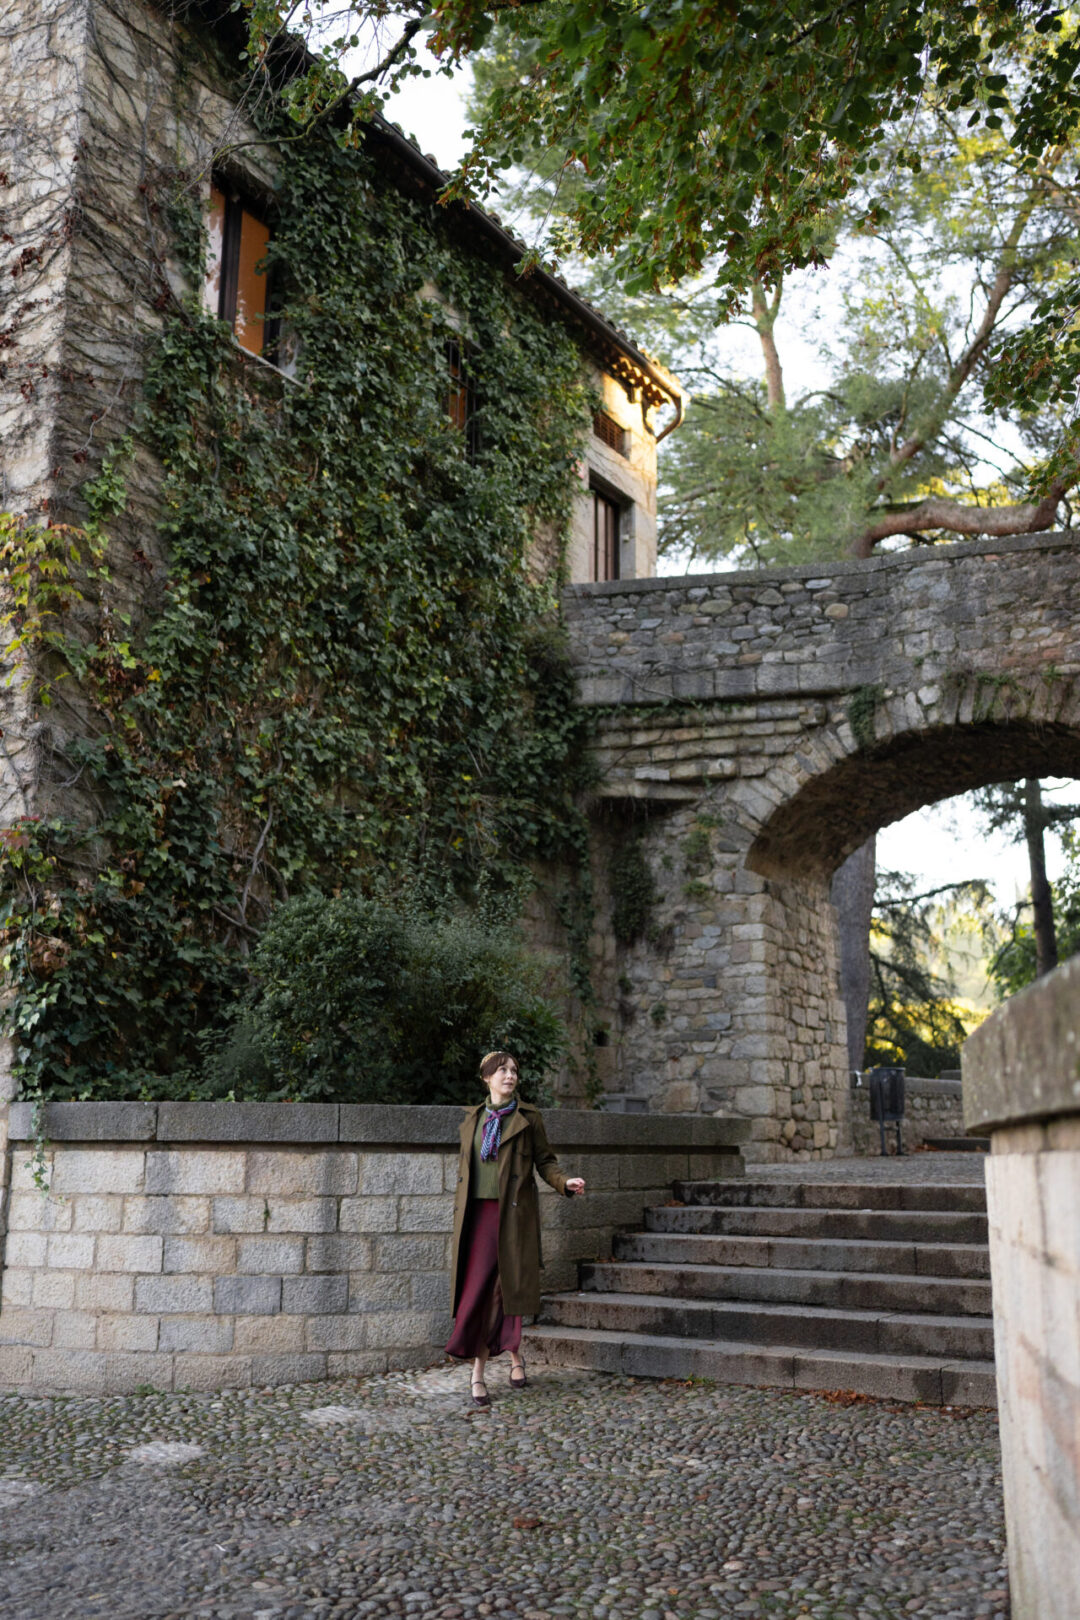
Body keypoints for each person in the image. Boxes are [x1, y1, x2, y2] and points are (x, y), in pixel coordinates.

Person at [446, 1050, 585, 1406]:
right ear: (486, 1078)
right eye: (502, 1070)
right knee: (478, 1291)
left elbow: (546, 1162)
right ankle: (487, 1367)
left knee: (504, 1289)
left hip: (512, 1217)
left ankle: (503, 1360)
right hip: (476, 1218)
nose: (510, 1075)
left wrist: (564, 1182)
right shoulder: (472, 1120)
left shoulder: (528, 1118)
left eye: (513, 1071)